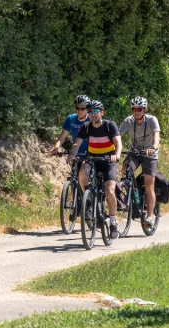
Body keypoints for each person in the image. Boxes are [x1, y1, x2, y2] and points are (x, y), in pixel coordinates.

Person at [67, 100, 122, 238]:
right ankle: (89, 200)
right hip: (93, 160)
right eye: (90, 112)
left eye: (95, 112)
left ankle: (113, 221)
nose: (92, 114)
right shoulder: (86, 127)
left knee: (110, 190)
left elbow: (118, 143)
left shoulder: (110, 125)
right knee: (82, 171)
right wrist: (72, 155)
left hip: (108, 161)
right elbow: (77, 143)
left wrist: (117, 155)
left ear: (101, 113)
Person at [119, 96, 160, 228]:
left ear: (145, 109)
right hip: (135, 152)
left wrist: (153, 148)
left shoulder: (152, 120)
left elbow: (156, 136)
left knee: (149, 184)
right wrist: (115, 149)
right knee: (125, 168)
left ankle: (149, 216)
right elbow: (118, 135)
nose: (136, 111)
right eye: (134, 109)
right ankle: (130, 189)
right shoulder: (128, 121)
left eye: (139, 109)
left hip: (150, 154)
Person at [50, 95, 91, 160]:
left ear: (87, 109)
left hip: (91, 154)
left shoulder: (92, 120)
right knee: (74, 169)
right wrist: (56, 147)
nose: (80, 111)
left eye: (82, 108)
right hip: (75, 153)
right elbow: (62, 136)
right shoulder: (71, 119)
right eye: (78, 108)